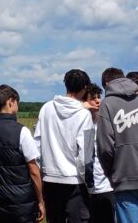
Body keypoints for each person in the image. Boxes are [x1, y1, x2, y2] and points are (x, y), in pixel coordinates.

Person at [97, 69, 138, 223]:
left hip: (123, 177)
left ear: (107, 84)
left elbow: (105, 147)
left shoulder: (107, 104)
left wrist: (112, 172)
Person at [36, 69, 95, 223]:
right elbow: (85, 156)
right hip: (75, 181)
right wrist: (90, 186)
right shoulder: (84, 115)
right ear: (84, 88)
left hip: (50, 179)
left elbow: (37, 146)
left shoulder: (46, 108)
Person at [0, 84, 45, 223]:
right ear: (11, 101)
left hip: (0, 200)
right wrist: (40, 200)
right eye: (17, 102)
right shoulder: (22, 131)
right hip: (24, 204)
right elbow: (34, 170)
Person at [82, 83, 114, 223]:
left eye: (99, 97)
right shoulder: (83, 124)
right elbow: (86, 157)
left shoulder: (106, 123)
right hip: (89, 187)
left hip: (107, 185)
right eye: (92, 98)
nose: (97, 101)